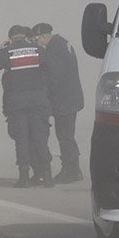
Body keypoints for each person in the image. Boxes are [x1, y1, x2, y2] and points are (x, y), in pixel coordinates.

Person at [0, 25, 53, 188]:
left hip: (16, 103)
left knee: (21, 140)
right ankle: (47, 176)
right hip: (37, 101)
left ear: (10, 38)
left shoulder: (7, 52)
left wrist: (1, 50)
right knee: (39, 139)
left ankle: (24, 177)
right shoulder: (37, 50)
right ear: (25, 36)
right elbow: (50, 68)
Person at [33, 22, 85, 183]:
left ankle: (70, 170)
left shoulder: (54, 49)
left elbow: (53, 77)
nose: (37, 43)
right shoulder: (63, 43)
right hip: (71, 97)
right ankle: (74, 169)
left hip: (64, 100)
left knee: (65, 136)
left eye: (37, 40)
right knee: (67, 135)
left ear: (43, 37)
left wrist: (43, 93)